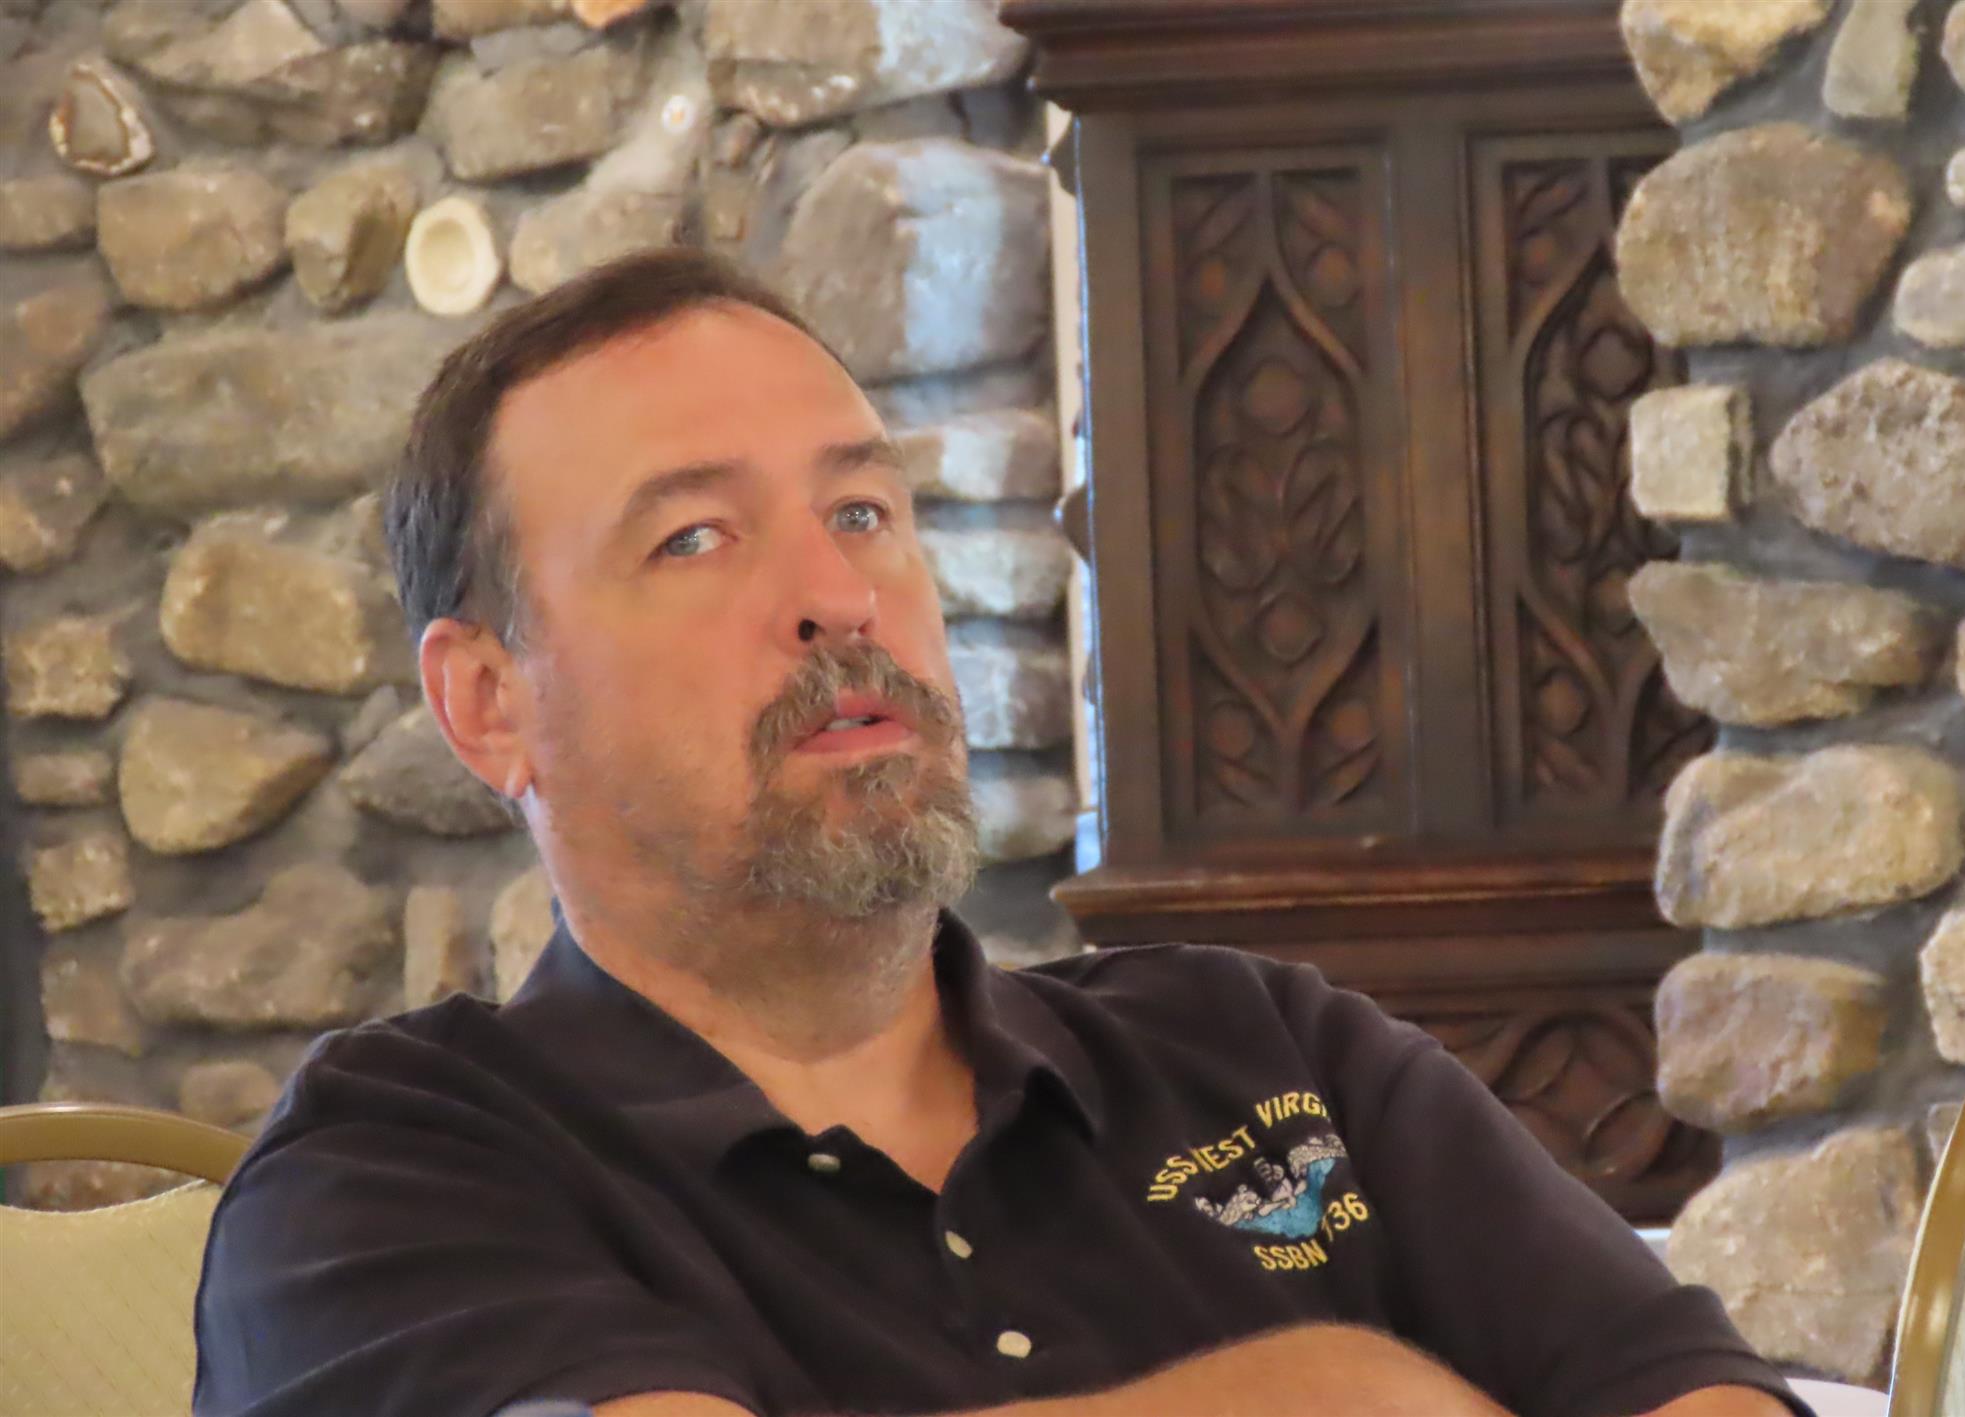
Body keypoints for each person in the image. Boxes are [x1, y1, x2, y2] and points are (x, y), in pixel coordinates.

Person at [192, 249, 1809, 1417]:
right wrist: (1334, 1395)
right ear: (488, 702)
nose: (837, 594)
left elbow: (1691, 1392)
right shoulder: (386, 1172)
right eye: (693, 537)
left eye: (862, 511)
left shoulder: (1262, 1046)